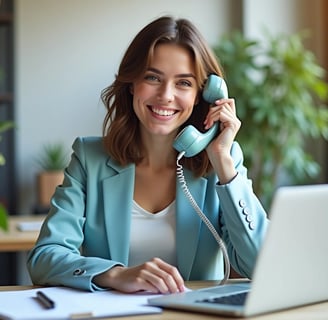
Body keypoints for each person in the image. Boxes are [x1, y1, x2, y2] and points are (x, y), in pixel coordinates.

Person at [27, 16, 269, 294]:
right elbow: (44, 258)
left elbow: (261, 266)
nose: (166, 95)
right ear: (132, 84)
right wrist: (116, 275)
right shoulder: (89, 158)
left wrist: (224, 162)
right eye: (153, 77)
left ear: (204, 96)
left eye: (184, 83)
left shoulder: (223, 162)